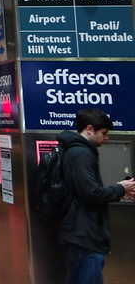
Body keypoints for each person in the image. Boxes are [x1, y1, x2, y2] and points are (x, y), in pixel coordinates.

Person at [56, 108, 135, 284]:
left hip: (78, 231)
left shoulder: (74, 150)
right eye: (104, 133)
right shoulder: (80, 153)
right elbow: (91, 192)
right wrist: (120, 188)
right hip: (85, 234)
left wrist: (119, 190)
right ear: (90, 129)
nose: (106, 138)